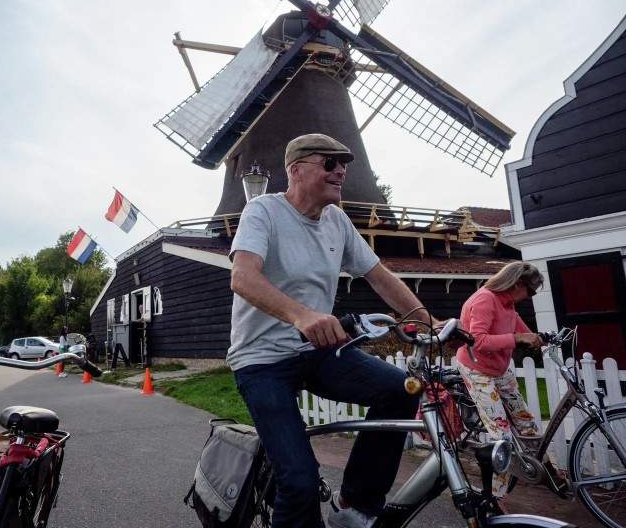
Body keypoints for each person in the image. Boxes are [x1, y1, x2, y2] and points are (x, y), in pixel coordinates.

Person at [229, 133, 433, 528]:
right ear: (297, 169)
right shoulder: (263, 212)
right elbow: (242, 277)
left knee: (400, 389)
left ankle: (353, 504)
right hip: (261, 361)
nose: (341, 170)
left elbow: (378, 276)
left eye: (344, 163)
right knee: (299, 483)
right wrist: (301, 315)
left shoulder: (337, 220)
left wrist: (426, 319)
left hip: (317, 353)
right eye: (330, 162)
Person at [456, 262, 544, 503]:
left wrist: (538, 339)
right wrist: (517, 338)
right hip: (478, 370)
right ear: (518, 284)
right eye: (532, 291)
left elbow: (517, 327)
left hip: (499, 367)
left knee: (526, 423)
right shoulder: (485, 299)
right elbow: (478, 340)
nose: (530, 297)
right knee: (501, 435)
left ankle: (542, 470)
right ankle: (494, 498)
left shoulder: (508, 304)